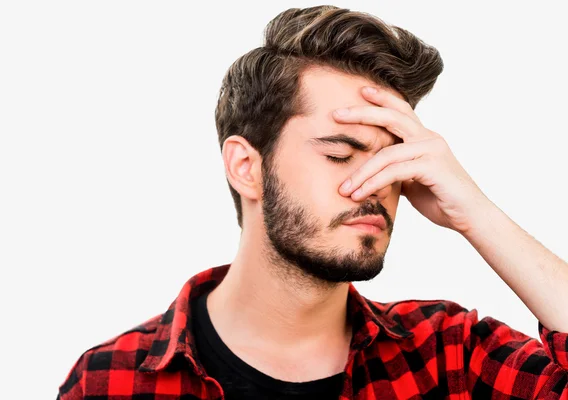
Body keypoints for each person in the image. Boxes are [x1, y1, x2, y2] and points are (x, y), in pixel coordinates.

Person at [57, 5, 568, 399]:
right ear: (246, 167)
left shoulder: (448, 356)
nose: (373, 184)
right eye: (341, 154)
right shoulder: (109, 381)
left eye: (396, 161)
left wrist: (476, 214)